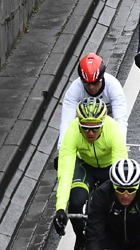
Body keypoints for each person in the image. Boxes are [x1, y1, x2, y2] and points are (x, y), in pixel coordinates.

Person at [53, 99, 128, 246]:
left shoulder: (113, 129)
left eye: (95, 128)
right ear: (79, 124)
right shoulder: (73, 130)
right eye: (85, 128)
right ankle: (80, 238)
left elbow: (120, 170)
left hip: (109, 168)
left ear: (103, 123)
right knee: (76, 202)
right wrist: (60, 208)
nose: (90, 133)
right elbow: (66, 172)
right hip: (85, 166)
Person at [84, 158, 140, 250]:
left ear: (137, 186)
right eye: (120, 189)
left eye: (131, 190)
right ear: (113, 186)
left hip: (138, 243)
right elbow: (95, 235)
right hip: (110, 242)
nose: (125, 195)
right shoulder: (102, 195)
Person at [59, 53, 128, 148]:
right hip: (86, 128)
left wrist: (121, 147)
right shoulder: (74, 89)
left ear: (102, 78)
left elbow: (120, 120)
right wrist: (61, 149)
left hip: (107, 126)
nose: (91, 87)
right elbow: (66, 121)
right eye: (86, 83)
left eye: (95, 83)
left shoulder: (113, 86)